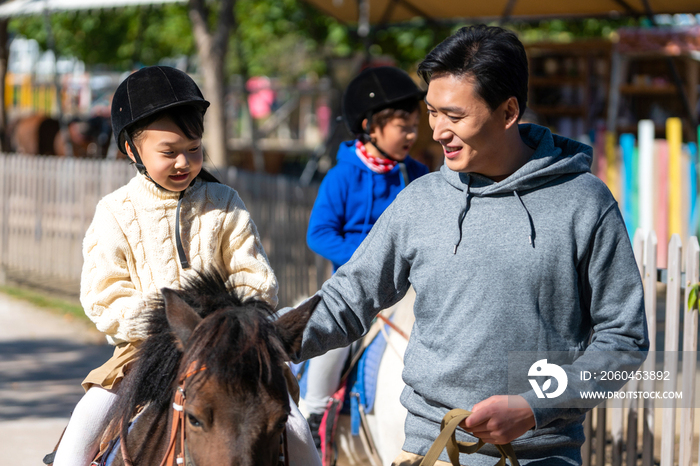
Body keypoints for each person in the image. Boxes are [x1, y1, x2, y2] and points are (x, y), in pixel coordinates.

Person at [289, 25, 648, 466]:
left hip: (541, 456)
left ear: (509, 110)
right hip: (427, 452)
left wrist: (536, 409)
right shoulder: (419, 201)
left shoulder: (584, 202)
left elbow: (624, 339)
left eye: (454, 116)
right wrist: (264, 340)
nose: (437, 130)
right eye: (432, 112)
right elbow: (347, 300)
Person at [52, 66, 319, 466]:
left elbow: (256, 280)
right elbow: (103, 295)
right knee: (82, 428)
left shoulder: (225, 202)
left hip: (229, 352)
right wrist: (162, 324)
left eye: (194, 149)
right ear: (132, 150)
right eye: (168, 151)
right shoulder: (114, 213)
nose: (183, 161)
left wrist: (223, 327)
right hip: (142, 356)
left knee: (298, 434)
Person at [303, 66, 429, 445]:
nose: (412, 134)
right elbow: (319, 234)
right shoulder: (342, 177)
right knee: (331, 346)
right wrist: (367, 257)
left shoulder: (417, 174)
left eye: (414, 125)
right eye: (402, 127)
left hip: (407, 289)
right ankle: (313, 411)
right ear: (369, 126)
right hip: (355, 289)